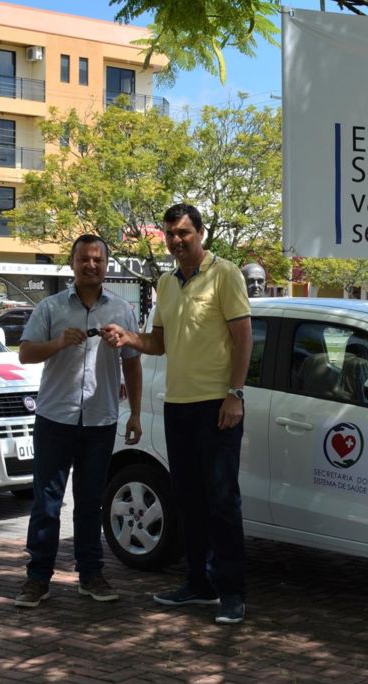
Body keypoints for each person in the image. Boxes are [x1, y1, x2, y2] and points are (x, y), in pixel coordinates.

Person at [105, 204, 253, 625]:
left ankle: (231, 592)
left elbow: (243, 339)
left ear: (200, 233)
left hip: (217, 405)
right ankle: (198, 584)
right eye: (170, 234)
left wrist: (235, 395)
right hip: (178, 405)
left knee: (223, 499)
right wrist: (127, 337)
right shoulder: (167, 283)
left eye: (184, 233)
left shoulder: (225, 274)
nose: (176, 241)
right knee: (188, 499)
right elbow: (158, 343)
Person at [13, 234, 142, 608]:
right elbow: (24, 353)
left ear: (106, 265)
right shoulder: (51, 308)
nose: (91, 265)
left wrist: (134, 412)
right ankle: (38, 578)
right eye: (85, 259)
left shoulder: (121, 310)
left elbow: (132, 364)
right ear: (72, 264)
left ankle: (91, 575)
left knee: (90, 503)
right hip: (56, 417)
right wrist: (57, 343)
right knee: (47, 502)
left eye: (98, 260)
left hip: (100, 419)